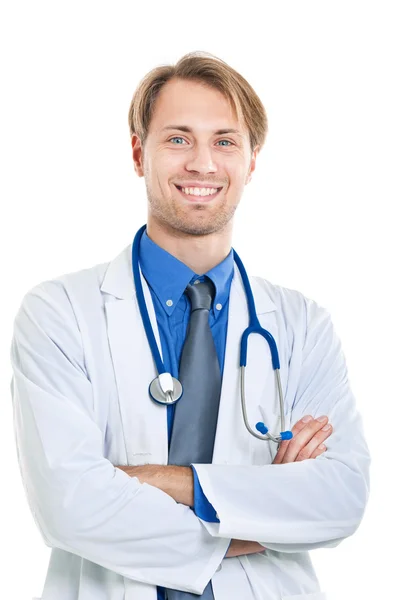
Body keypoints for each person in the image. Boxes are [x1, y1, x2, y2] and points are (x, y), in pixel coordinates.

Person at [10, 51, 370, 600]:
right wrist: (262, 516)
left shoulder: (302, 325)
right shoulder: (59, 313)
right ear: (139, 153)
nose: (202, 164)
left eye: (225, 141)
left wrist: (156, 480)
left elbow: (339, 498)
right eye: (178, 139)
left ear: (251, 161)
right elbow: (69, 505)